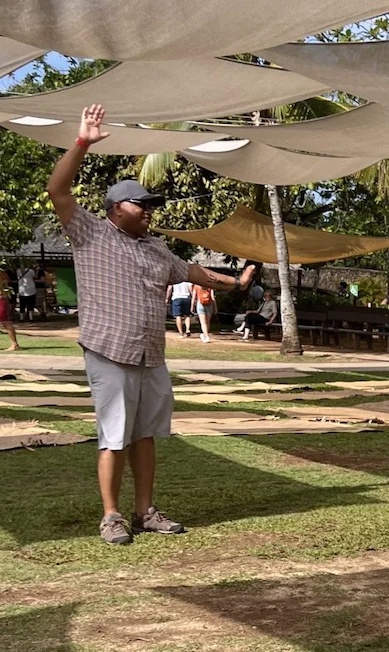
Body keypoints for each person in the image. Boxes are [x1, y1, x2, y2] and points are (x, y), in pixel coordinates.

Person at [46, 104, 261, 546]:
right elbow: (58, 189)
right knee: (114, 435)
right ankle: (111, 516)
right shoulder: (91, 232)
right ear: (113, 208)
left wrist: (234, 283)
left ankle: (145, 512)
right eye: (139, 204)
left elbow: (194, 273)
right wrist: (83, 142)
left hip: (151, 355)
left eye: (150, 205)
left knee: (146, 436)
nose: (148, 211)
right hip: (109, 350)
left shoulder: (156, 249)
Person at [0, 271, 20, 351]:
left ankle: (15, 344)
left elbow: (7, 280)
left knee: (5, 322)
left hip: (1, 299)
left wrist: (3, 283)